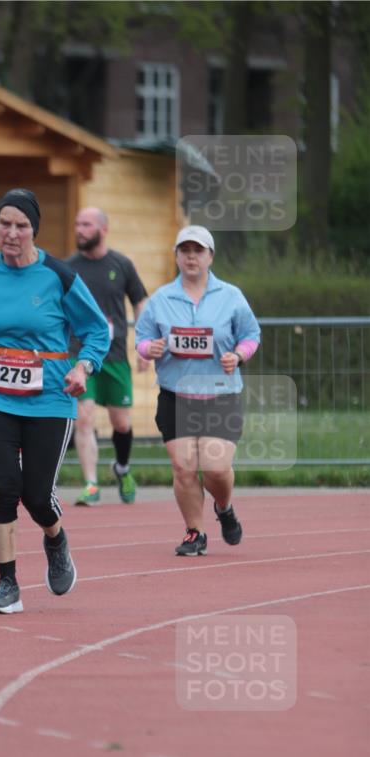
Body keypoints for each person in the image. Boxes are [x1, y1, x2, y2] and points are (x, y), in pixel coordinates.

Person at [0, 189, 109, 613]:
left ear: (34, 230)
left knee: (37, 496)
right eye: (4, 224)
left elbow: (97, 330)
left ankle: (56, 540)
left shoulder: (59, 277)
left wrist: (84, 367)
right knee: (4, 487)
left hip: (49, 400)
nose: (11, 233)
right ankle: (7, 585)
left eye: (21, 225)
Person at [135, 225, 261, 556]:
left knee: (216, 468)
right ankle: (195, 532)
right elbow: (142, 339)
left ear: (210, 257)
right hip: (175, 395)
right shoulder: (162, 298)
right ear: (177, 256)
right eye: (185, 250)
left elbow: (251, 335)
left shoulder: (230, 296)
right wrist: (150, 348)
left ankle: (224, 507)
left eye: (198, 251)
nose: (191, 257)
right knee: (184, 468)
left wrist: (239, 355)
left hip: (220, 393)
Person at [66, 207, 149, 505]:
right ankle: (91, 484)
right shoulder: (68, 268)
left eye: (86, 224)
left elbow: (140, 302)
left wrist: (144, 342)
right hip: (79, 355)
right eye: (78, 224)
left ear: (103, 229)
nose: (80, 229)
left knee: (121, 423)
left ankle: (122, 468)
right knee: (84, 418)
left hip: (114, 356)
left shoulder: (121, 264)